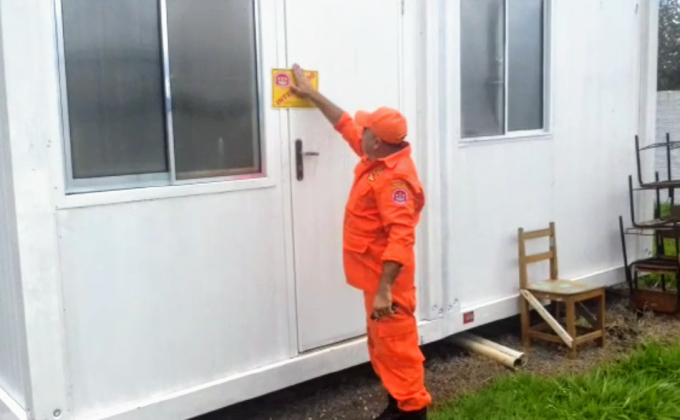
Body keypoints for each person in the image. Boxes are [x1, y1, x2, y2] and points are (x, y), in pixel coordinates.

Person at [291, 64, 432, 420]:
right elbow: (345, 125)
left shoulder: (395, 181)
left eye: (367, 128)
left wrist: (385, 291)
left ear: (378, 141)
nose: (361, 130)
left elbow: (402, 237)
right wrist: (311, 93)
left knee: (397, 347)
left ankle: (412, 411)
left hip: (389, 282)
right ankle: (397, 404)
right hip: (375, 277)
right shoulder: (378, 157)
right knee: (383, 345)